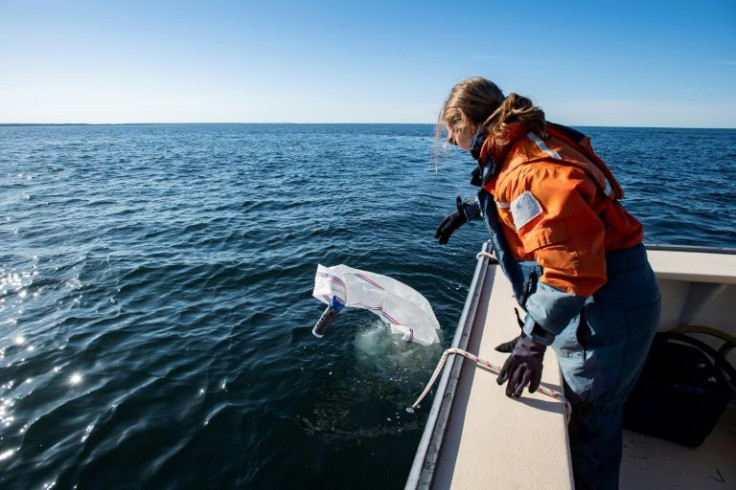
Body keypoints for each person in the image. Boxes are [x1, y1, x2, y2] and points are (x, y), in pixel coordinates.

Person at [434, 76, 661, 489]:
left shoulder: (528, 168)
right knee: (589, 410)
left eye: (452, 131)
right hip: (603, 293)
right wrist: (470, 212)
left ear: (467, 121)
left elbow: (572, 271)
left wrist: (531, 341)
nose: (451, 142)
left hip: (609, 306)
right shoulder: (526, 144)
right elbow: (520, 203)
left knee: (594, 419)